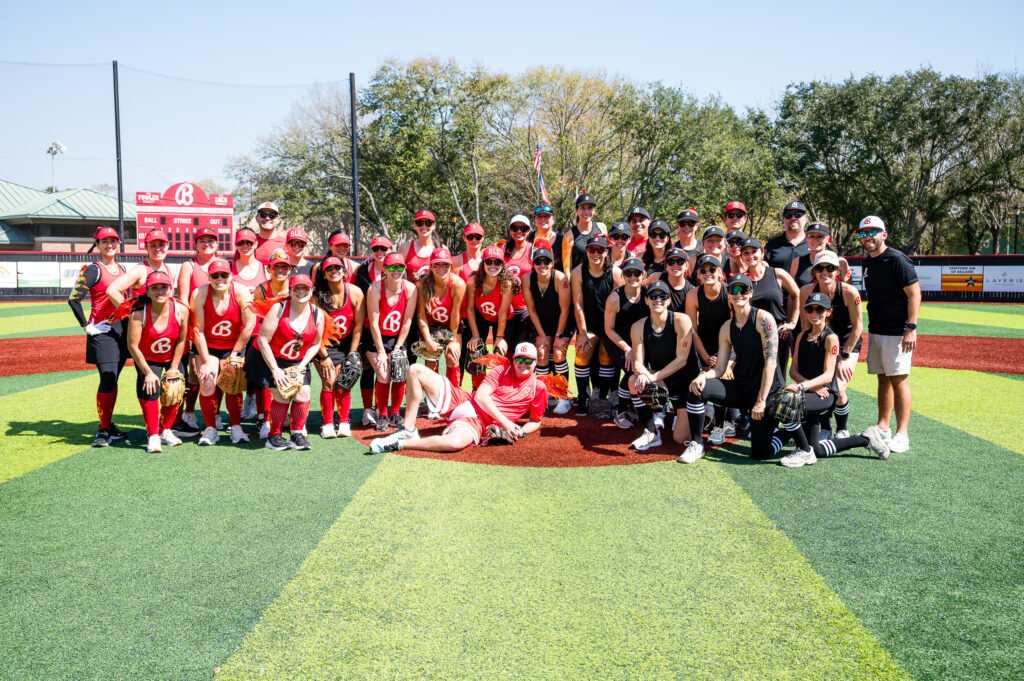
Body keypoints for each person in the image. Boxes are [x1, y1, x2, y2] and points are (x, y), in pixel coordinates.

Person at [773, 292, 890, 467]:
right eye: (810, 309)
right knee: (818, 450)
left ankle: (803, 452)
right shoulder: (801, 336)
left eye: (819, 309)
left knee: (788, 401)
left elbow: (828, 376)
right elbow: (793, 370)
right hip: (811, 393)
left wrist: (802, 386)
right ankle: (865, 439)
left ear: (828, 312)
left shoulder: (831, 338)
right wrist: (809, 387)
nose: (814, 313)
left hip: (826, 394)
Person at [369, 342, 548, 454]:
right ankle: (408, 429)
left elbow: (536, 420)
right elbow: (481, 396)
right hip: (465, 400)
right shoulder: (503, 369)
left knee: (454, 443)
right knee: (416, 370)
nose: (523, 364)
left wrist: (522, 431)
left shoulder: (538, 387)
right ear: (514, 359)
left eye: (528, 361)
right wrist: (506, 423)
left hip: (479, 422)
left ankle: (401, 444)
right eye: (520, 360)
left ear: (535, 362)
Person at [683, 274, 784, 464]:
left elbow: (771, 363)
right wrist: (704, 376)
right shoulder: (727, 327)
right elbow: (720, 368)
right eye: (733, 290)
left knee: (759, 453)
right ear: (728, 294)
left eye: (743, 289)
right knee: (696, 388)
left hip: (767, 392)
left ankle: (787, 434)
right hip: (742, 387)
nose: (738, 294)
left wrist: (761, 401)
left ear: (750, 292)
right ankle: (696, 445)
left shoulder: (764, 319)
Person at [859, 215, 920, 453]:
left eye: (873, 232)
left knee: (899, 378)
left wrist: (911, 328)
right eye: (864, 233)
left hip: (897, 331)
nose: (868, 237)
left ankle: (902, 433)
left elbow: (914, 294)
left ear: (884, 234)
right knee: (883, 378)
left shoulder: (897, 260)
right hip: (877, 329)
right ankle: (883, 426)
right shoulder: (869, 262)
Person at [67, 226, 130, 447]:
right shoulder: (94, 269)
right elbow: (74, 299)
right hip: (102, 332)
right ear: (98, 244)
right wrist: (87, 326)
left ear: (118, 243)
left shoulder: (122, 268)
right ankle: (103, 430)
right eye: (105, 241)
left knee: (114, 379)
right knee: (108, 377)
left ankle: (109, 423)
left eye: (113, 241)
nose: (110, 245)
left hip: (121, 331)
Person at [251, 274, 325, 451]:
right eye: (296, 288)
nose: (301, 292)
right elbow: (262, 340)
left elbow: (316, 344)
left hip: (298, 361)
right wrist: (275, 369)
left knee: (303, 394)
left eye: (305, 288)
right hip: (273, 359)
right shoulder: (278, 308)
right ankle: (274, 436)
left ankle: (296, 433)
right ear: (290, 291)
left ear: (311, 290)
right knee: (282, 396)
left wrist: (302, 365)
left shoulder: (317, 313)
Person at [627, 280, 699, 451]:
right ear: (646, 300)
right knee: (633, 380)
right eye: (653, 296)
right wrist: (644, 374)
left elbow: (682, 360)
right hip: (663, 380)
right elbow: (638, 362)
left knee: (680, 438)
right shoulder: (638, 327)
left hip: (686, 384)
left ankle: (702, 413)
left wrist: (652, 377)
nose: (657, 299)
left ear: (668, 300)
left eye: (662, 296)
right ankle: (651, 432)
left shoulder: (682, 321)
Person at [190, 259, 255, 445]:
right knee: (207, 381)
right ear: (209, 277)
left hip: (232, 345)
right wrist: (205, 361)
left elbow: (249, 325)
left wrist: (235, 355)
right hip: (208, 345)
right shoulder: (200, 293)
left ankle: (236, 427)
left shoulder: (241, 291)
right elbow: (198, 330)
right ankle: (211, 429)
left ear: (231, 276)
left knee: (233, 380)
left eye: (224, 275)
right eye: (215, 275)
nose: (220, 278)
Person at [798, 250, 863, 439]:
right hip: (820, 340)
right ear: (814, 272)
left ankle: (842, 428)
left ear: (837, 272)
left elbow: (858, 326)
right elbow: (804, 325)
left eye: (829, 268)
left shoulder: (849, 292)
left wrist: (843, 356)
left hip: (846, 343)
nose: (824, 272)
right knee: (819, 386)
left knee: (839, 388)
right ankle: (825, 427)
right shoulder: (806, 291)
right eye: (820, 268)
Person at [126, 271, 190, 453]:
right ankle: (153, 434)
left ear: (171, 289)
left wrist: (173, 368)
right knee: (150, 388)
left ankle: (166, 430)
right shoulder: (139, 313)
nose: (160, 291)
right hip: (147, 357)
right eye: (155, 288)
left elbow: (182, 341)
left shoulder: (181, 310)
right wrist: (147, 372)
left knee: (175, 387)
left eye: (164, 287)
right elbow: (133, 346)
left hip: (172, 356)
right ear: (147, 291)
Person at [364, 252, 418, 431]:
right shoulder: (375, 289)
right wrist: (381, 351)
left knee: (400, 369)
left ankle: (395, 412)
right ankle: (382, 414)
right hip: (375, 337)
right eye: (392, 267)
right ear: (385, 269)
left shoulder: (410, 289)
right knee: (383, 373)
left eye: (400, 267)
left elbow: (407, 321)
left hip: (397, 337)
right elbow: (373, 322)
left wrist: (397, 348)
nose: (396, 271)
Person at [312, 255, 365, 438]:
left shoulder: (356, 292)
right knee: (329, 381)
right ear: (324, 274)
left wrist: (352, 353)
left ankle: (343, 421)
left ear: (344, 272)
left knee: (343, 382)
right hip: (322, 345)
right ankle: (327, 423)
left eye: (337, 268)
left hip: (345, 344)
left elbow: (358, 325)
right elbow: (314, 331)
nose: (334, 271)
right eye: (329, 269)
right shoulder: (316, 296)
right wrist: (324, 356)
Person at [571, 234, 623, 417]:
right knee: (581, 351)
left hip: (611, 325)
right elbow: (578, 305)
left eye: (600, 249)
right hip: (590, 324)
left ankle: (602, 396)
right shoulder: (578, 272)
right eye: (592, 249)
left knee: (606, 354)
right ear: (587, 251)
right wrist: (583, 332)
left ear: (606, 252)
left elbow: (621, 305)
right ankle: (584, 397)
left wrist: (613, 333)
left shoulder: (616, 273)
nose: (596, 253)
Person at [685, 254, 734, 444]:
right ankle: (698, 415)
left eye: (712, 269)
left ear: (720, 272)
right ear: (698, 274)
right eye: (703, 270)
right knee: (693, 373)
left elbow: (733, 326)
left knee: (723, 374)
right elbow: (692, 329)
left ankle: (720, 425)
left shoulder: (728, 293)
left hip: (727, 343)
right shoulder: (693, 295)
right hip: (703, 344)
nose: (708, 273)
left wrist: (722, 356)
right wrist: (705, 355)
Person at [176, 226, 221, 431]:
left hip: (219, 328)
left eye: (211, 240)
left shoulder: (222, 265)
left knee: (218, 372)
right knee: (196, 373)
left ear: (217, 244)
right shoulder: (189, 266)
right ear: (195, 244)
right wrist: (189, 328)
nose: (207, 244)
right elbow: (183, 299)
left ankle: (216, 414)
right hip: (197, 326)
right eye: (202, 240)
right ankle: (189, 412)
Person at [522, 242, 573, 415]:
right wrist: (543, 335)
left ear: (552, 263)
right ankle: (544, 394)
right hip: (542, 322)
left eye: (546, 261)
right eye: (538, 262)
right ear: (533, 264)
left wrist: (558, 335)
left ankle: (563, 396)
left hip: (562, 320)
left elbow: (565, 311)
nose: (542, 265)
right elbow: (532, 310)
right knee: (542, 353)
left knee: (558, 352)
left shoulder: (559, 278)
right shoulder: (527, 279)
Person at [740, 237, 800, 372]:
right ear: (742, 256)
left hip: (778, 334)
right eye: (746, 253)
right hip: (752, 335)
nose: (750, 256)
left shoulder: (777, 273)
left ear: (762, 253)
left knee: (778, 375)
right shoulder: (741, 280)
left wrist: (792, 322)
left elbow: (796, 294)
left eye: (754, 251)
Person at [602, 257, 649, 427]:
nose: (633, 277)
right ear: (623, 275)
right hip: (616, 340)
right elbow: (609, 329)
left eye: (636, 273)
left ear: (643, 275)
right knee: (632, 369)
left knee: (643, 369)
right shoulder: (615, 298)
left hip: (638, 342)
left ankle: (636, 405)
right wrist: (627, 348)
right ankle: (621, 410)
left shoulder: (648, 294)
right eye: (628, 273)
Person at [250, 250, 292, 437]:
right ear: (269, 269)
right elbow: (258, 317)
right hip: (266, 338)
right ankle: (263, 418)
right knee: (263, 382)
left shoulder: (295, 287)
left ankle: (288, 416)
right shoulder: (262, 289)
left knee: (291, 379)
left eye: (284, 266)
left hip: (289, 339)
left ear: (290, 269)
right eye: (276, 266)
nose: (280, 270)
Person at [353, 235, 394, 425]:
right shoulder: (362, 271)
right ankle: (368, 409)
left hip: (390, 328)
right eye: (376, 249)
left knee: (393, 369)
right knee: (369, 368)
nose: (380, 253)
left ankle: (385, 409)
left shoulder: (397, 269)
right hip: (369, 327)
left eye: (384, 249)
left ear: (390, 249)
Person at [466, 246, 518, 385]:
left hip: (504, 319)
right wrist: (475, 335)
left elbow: (502, 312)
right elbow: (469, 309)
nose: (493, 266)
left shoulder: (507, 283)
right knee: (475, 350)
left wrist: (500, 338)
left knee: (500, 352)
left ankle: (499, 387)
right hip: (481, 316)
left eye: (497, 262)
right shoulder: (473, 281)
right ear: (483, 264)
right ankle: (477, 387)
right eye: (489, 262)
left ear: (502, 264)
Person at [416, 247, 465, 391]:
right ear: (431, 266)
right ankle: (433, 400)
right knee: (431, 360)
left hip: (451, 326)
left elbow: (456, 315)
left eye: (445, 264)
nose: (441, 268)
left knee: (452, 355)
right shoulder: (423, 285)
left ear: (451, 266)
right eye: (437, 264)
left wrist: (453, 340)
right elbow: (421, 315)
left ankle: (453, 397)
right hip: (430, 326)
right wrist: (428, 340)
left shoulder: (458, 284)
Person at [230, 227, 267, 421]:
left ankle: (260, 411)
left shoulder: (264, 268)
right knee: (236, 375)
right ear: (236, 245)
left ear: (255, 244)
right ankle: (236, 415)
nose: (245, 246)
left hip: (259, 329)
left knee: (258, 374)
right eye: (241, 243)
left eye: (249, 243)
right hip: (236, 329)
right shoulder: (229, 268)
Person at [106, 229, 174, 306]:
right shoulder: (140, 270)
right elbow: (112, 291)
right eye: (153, 246)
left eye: (161, 244)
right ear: (146, 247)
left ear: (168, 245)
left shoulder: (170, 270)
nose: (158, 249)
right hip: (143, 318)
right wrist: (131, 313)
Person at [453, 223, 484, 384]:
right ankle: (455, 393)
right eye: (470, 236)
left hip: (482, 317)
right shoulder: (458, 262)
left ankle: (477, 392)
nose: (474, 240)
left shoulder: (488, 261)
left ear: (482, 238)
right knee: (458, 357)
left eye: (477, 236)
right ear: (464, 238)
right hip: (462, 316)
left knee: (478, 357)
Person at [503, 215, 535, 346]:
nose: (519, 231)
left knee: (523, 350)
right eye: (515, 228)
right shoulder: (503, 249)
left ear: (529, 231)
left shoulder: (533, 250)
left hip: (525, 309)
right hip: (506, 309)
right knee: (505, 350)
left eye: (523, 228)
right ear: (510, 230)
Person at [560, 193, 606, 281]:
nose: (586, 212)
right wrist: (572, 289)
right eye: (582, 208)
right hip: (580, 282)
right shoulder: (569, 236)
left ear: (594, 210)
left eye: (590, 208)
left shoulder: (602, 228)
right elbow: (567, 268)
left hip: (601, 279)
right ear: (576, 210)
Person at [790, 222, 849, 288]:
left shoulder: (840, 262)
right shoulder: (797, 262)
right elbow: (793, 295)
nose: (815, 239)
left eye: (820, 236)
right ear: (806, 238)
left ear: (827, 239)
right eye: (811, 236)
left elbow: (848, 291)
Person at [764, 201, 811, 272]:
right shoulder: (772, 245)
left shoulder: (813, 243)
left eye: (798, 215)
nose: (793, 218)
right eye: (788, 215)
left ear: (806, 218)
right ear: (783, 220)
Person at [400, 209, 440, 283]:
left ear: (434, 226)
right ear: (415, 225)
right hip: (411, 294)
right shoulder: (405, 248)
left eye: (428, 223)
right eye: (420, 223)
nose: (424, 226)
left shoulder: (441, 249)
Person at [653, 247, 692, 311]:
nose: (675, 265)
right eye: (671, 262)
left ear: (686, 266)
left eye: (680, 262)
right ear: (666, 266)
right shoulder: (657, 278)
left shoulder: (690, 291)